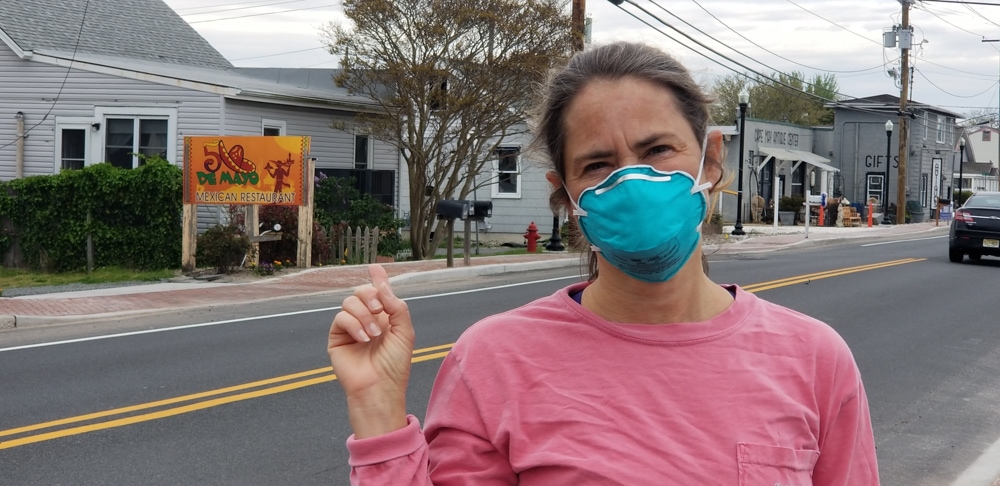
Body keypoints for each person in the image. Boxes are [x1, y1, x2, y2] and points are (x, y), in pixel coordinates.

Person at [328, 41, 880, 485]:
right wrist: (378, 413)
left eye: (658, 151)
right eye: (597, 164)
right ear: (566, 195)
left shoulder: (815, 361)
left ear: (711, 161)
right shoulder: (493, 361)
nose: (633, 182)